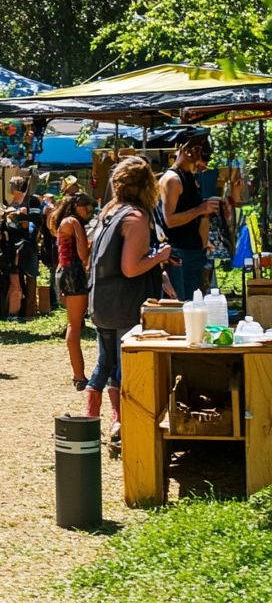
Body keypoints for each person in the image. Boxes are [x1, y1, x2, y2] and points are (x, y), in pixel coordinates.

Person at [86, 157, 172, 446]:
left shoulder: (109, 211)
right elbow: (131, 268)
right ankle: (120, 423)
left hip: (102, 301)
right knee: (124, 369)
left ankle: (92, 423)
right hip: (125, 304)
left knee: (104, 364)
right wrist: (160, 257)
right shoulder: (135, 217)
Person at [159, 135, 219, 300]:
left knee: (196, 305)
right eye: (199, 161)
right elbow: (169, 220)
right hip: (179, 255)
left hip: (193, 252)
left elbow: (192, 211)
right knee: (183, 307)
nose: (202, 167)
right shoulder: (173, 180)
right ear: (187, 153)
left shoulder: (190, 177)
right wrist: (200, 209)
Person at [48, 192, 96, 389]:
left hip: (64, 272)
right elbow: (83, 255)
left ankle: (79, 374)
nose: (89, 212)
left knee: (73, 324)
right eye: (87, 207)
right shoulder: (74, 223)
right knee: (74, 325)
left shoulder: (64, 222)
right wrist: (92, 245)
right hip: (74, 272)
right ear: (77, 206)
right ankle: (79, 375)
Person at [3, 175, 43, 320]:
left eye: (12, 184)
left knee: (30, 277)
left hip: (28, 243)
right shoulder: (10, 202)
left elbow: (36, 221)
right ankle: (16, 310)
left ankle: (29, 312)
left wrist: (19, 217)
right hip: (13, 243)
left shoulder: (32, 201)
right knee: (16, 278)